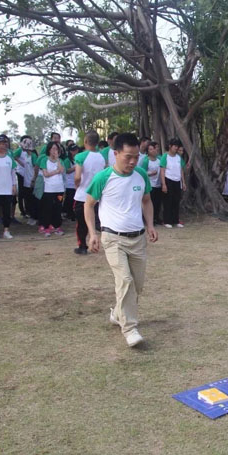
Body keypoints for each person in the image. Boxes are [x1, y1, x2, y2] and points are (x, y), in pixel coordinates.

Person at [85, 133, 157, 347]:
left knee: (137, 285)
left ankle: (118, 313)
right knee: (124, 281)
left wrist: (150, 225)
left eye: (136, 156)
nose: (133, 161)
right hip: (113, 238)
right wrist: (92, 233)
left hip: (138, 238)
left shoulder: (141, 176)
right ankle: (130, 328)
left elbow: (147, 201)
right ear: (115, 154)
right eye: (128, 157)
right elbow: (88, 205)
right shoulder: (103, 178)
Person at [73, 130, 107, 255]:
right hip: (97, 195)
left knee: (81, 223)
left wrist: (77, 185)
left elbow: (77, 176)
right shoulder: (102, 156)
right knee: (98, 222)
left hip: (82, 195)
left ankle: (82, 246)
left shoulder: (81, 156)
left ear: (85, 141)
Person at [39, 141, 68, 237]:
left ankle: (57, 226)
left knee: (58, 207)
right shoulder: (44, 160)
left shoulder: (60, 160)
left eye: (56, 149)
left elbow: (62, 170)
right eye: (53, 149)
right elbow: (46, 174)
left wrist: (57, 159)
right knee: (48, 208)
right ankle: (46, 227)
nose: (54, 151)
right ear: (49, 150)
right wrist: (56, 171)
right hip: (49, 189)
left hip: (59, 189)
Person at [160, 138, 186, 228]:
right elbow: (162, 170)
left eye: (177, 146)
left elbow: (181, 170)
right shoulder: (165, 156)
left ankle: (175, 220)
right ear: (170, 146)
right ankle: (167, 220)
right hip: (168, 180)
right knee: (168, 201)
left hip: (177, 181)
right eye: (175, 146)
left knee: (176, 201)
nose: (176, 148)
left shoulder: (179, 157)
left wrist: (184, 182)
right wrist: (163, 184)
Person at [140, 141, 162, 224]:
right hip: (150, 185)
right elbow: (143, 172)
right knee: (150, 202)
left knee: (158, 202)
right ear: (147, 151)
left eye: (154, 149)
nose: (153, 151)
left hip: (159, 184)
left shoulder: (159, 159)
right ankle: (149, 219)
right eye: (150, 149)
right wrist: (150, 173)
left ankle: (157, 218)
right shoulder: (146, 161)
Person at [63, 144, 78, 221]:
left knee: (74, 200)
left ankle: (72, 213)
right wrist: (75, 168)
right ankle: (68, 213)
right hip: (69, 183)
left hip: (76, 182)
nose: (76, 152)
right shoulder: (67, 160)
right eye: (74, 150)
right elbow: (67, 171)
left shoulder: (77, 159)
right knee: (69, 199)